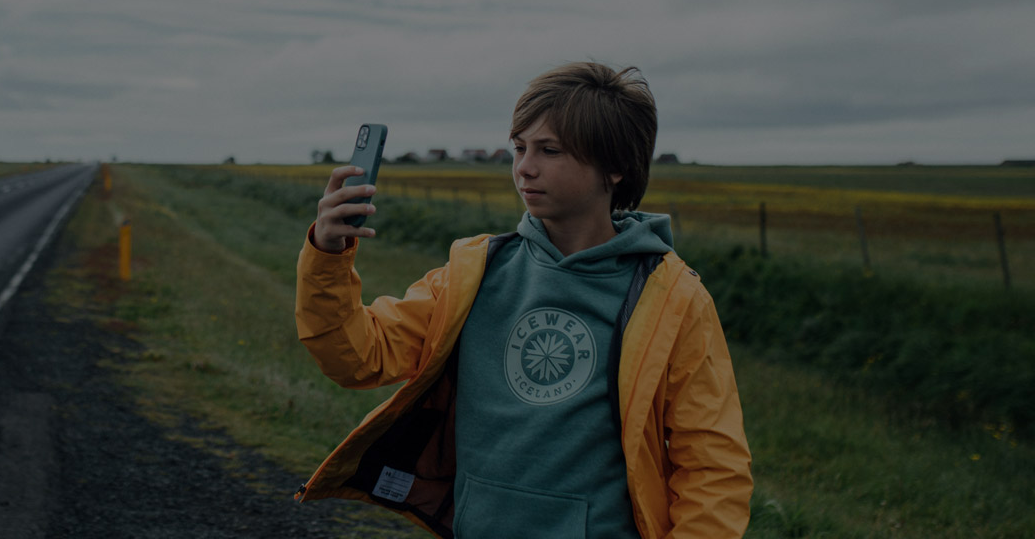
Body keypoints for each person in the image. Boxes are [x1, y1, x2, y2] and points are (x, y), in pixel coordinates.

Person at [292, 62, 752, 539]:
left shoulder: (673, 296)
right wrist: (329, 254)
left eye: (549, 150)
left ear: (615, 167)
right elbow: (358, 357)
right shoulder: (475, 271)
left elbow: (713, 465)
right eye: (519, 147)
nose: (524, 167)